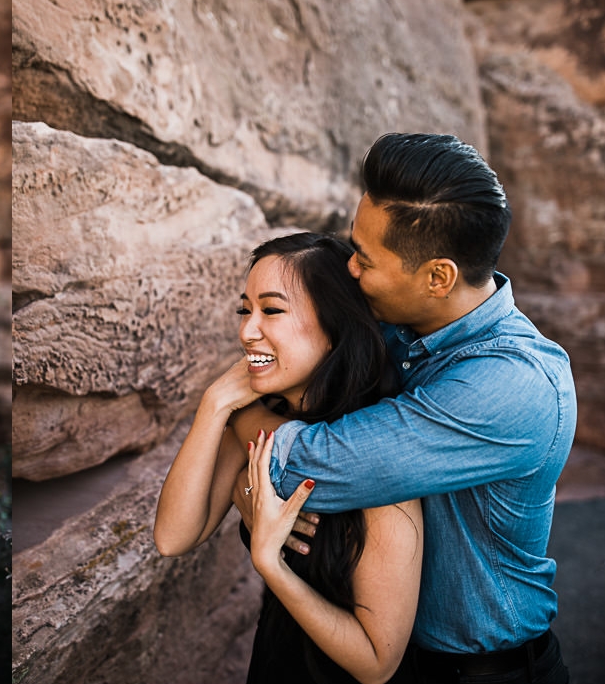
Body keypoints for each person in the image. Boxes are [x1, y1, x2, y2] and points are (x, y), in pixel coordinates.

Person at [230, 134, 572, 683]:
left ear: (438, 277)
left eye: (364, 258)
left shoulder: (511, 385)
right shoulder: (394, 327)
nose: (350, 271)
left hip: (486, 673)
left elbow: (307, 465)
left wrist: (233, 410)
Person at [156, 232, 420, 683]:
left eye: (272, 311)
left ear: (335, 328)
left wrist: (270, 566)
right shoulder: (256, 422)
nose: (246, 330)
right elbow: (173, 537)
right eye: (245, 309)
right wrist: (215, 404)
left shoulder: (375, 456)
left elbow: (377, 663)